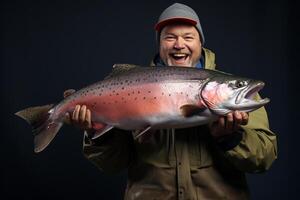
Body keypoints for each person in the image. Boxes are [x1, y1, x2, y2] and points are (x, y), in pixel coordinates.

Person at [65, 3, 277, 200]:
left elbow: (264, 160)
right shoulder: (133, 87)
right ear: (159, 44)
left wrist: (231, 139)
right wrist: (96, 133)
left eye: (188, 37)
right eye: (169, 37)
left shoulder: (238, 96)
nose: (179, 45)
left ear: (200, 42)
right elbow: (112, 165)